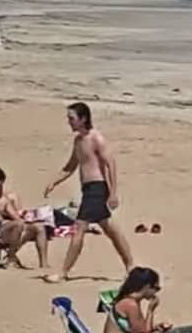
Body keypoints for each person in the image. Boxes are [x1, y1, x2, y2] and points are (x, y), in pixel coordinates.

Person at [43, 101, 133, 283]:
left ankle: (63, 272)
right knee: (110, 228)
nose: (69, 122)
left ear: (83, 119)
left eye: (72, 118)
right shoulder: (78, 141)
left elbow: (111, 164)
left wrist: (113, 193)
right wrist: (54, 182)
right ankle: (131, 266)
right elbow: (71, 166)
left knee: (79, 228)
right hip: (88, 189)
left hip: (97, 188)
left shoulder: (96, 138)